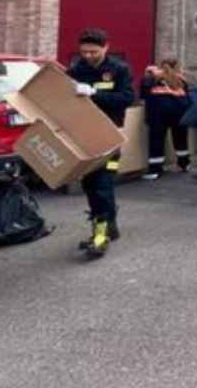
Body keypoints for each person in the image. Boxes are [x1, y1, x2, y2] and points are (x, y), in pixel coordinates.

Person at [67, 28, 134, 259]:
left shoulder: (119, 70)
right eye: (84, 52)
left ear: (105, 47)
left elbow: (126, 99)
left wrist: (93, 93)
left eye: (93, 52)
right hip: (84, 135)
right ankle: (109, 224)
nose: (88, 56)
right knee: (90, 183)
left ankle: (101, 234)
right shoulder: (77, 70)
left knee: (103, 182)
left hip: (109, 134)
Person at [140, 59, 191, 180]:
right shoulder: (182, 79)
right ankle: (184, 164)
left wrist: (147, 74)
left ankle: (155, 170)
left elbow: (143, 95)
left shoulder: (151, 79)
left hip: (158, 113)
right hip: (179, 113)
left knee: (157, 140)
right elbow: (188, 95)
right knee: (181, 139)